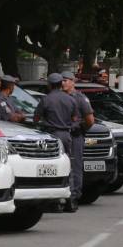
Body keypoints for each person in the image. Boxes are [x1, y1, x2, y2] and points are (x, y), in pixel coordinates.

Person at [34, 73, 79, 212]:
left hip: (51, 137)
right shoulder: (71, 99)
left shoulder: (46, 100)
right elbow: (75, 118)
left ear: (49, 85)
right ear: (61, 84)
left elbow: (36, 118)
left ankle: (53, 202)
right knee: (67, 167)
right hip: (66, 135)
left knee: (50, 168)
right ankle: (70, 201)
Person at [61, 71, 94, 210]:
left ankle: (74, 196)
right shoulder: (60, 97)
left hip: (75, 136)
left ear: (73, 82)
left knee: (75, 166)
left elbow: (90, 120)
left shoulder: (80, 98)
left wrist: (80, 129)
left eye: (66, 80)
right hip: (62, 135)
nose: (63, 83)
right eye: (61, 80)